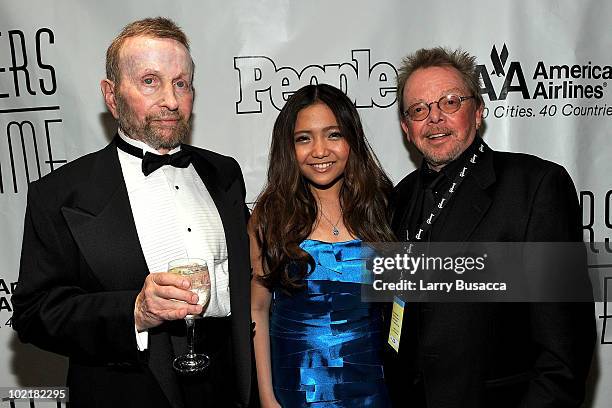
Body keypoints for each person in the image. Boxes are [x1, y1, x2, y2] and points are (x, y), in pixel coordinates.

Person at [12, 17, 252, 408]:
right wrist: (134, 311)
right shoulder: (59, 194)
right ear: (111, 95)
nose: (171, 101)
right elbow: (34, 313)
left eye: (181, 83)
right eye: (150, 81)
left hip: (226, 389)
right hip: (126, 392)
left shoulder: (224, 173)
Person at [383, 47, 596, 407]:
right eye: (419, 109)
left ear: (478, 111)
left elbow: (564, 353)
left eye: (450, 102)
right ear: (406, 127)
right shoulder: (397, 199)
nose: (434, 118)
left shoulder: (536, 186)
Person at [250, 84, 394, 407]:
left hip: (372, 389)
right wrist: (266, 397)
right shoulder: (271, 215)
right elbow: (257, 308)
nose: (319, 151)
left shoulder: (381, 205)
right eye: (304, 138)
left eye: (333, 135)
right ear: (290, 148)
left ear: (351, 140)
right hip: (297, 390)